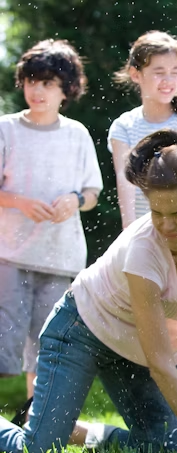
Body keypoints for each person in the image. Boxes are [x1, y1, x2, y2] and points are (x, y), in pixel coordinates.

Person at [0, 129, 177, 453]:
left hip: (144, 347)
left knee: (163, 451)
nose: (166, 226)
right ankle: (46, 429)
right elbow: (160, 364)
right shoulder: (144, 250)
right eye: (157, 213)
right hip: (83, 331)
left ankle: (77, 431)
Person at [0, 39, 102, 403]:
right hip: (9, 256)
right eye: (30, 81)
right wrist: (20, 203)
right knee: (3, 345)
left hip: (61, 259)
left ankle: (32, 422)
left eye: (47, 83)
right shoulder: (6, 129)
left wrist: (74, 201)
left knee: (46, 349)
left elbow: (92, 193)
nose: (36, 90)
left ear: (67, 89)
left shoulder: (77, 135)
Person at [110, 30, 177, 229]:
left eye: (175, 72)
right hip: (143, 229)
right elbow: (125, 182)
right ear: (135, 74)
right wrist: (129, 232)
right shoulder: (124, 126)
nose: (168, 80)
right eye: (159, 72)